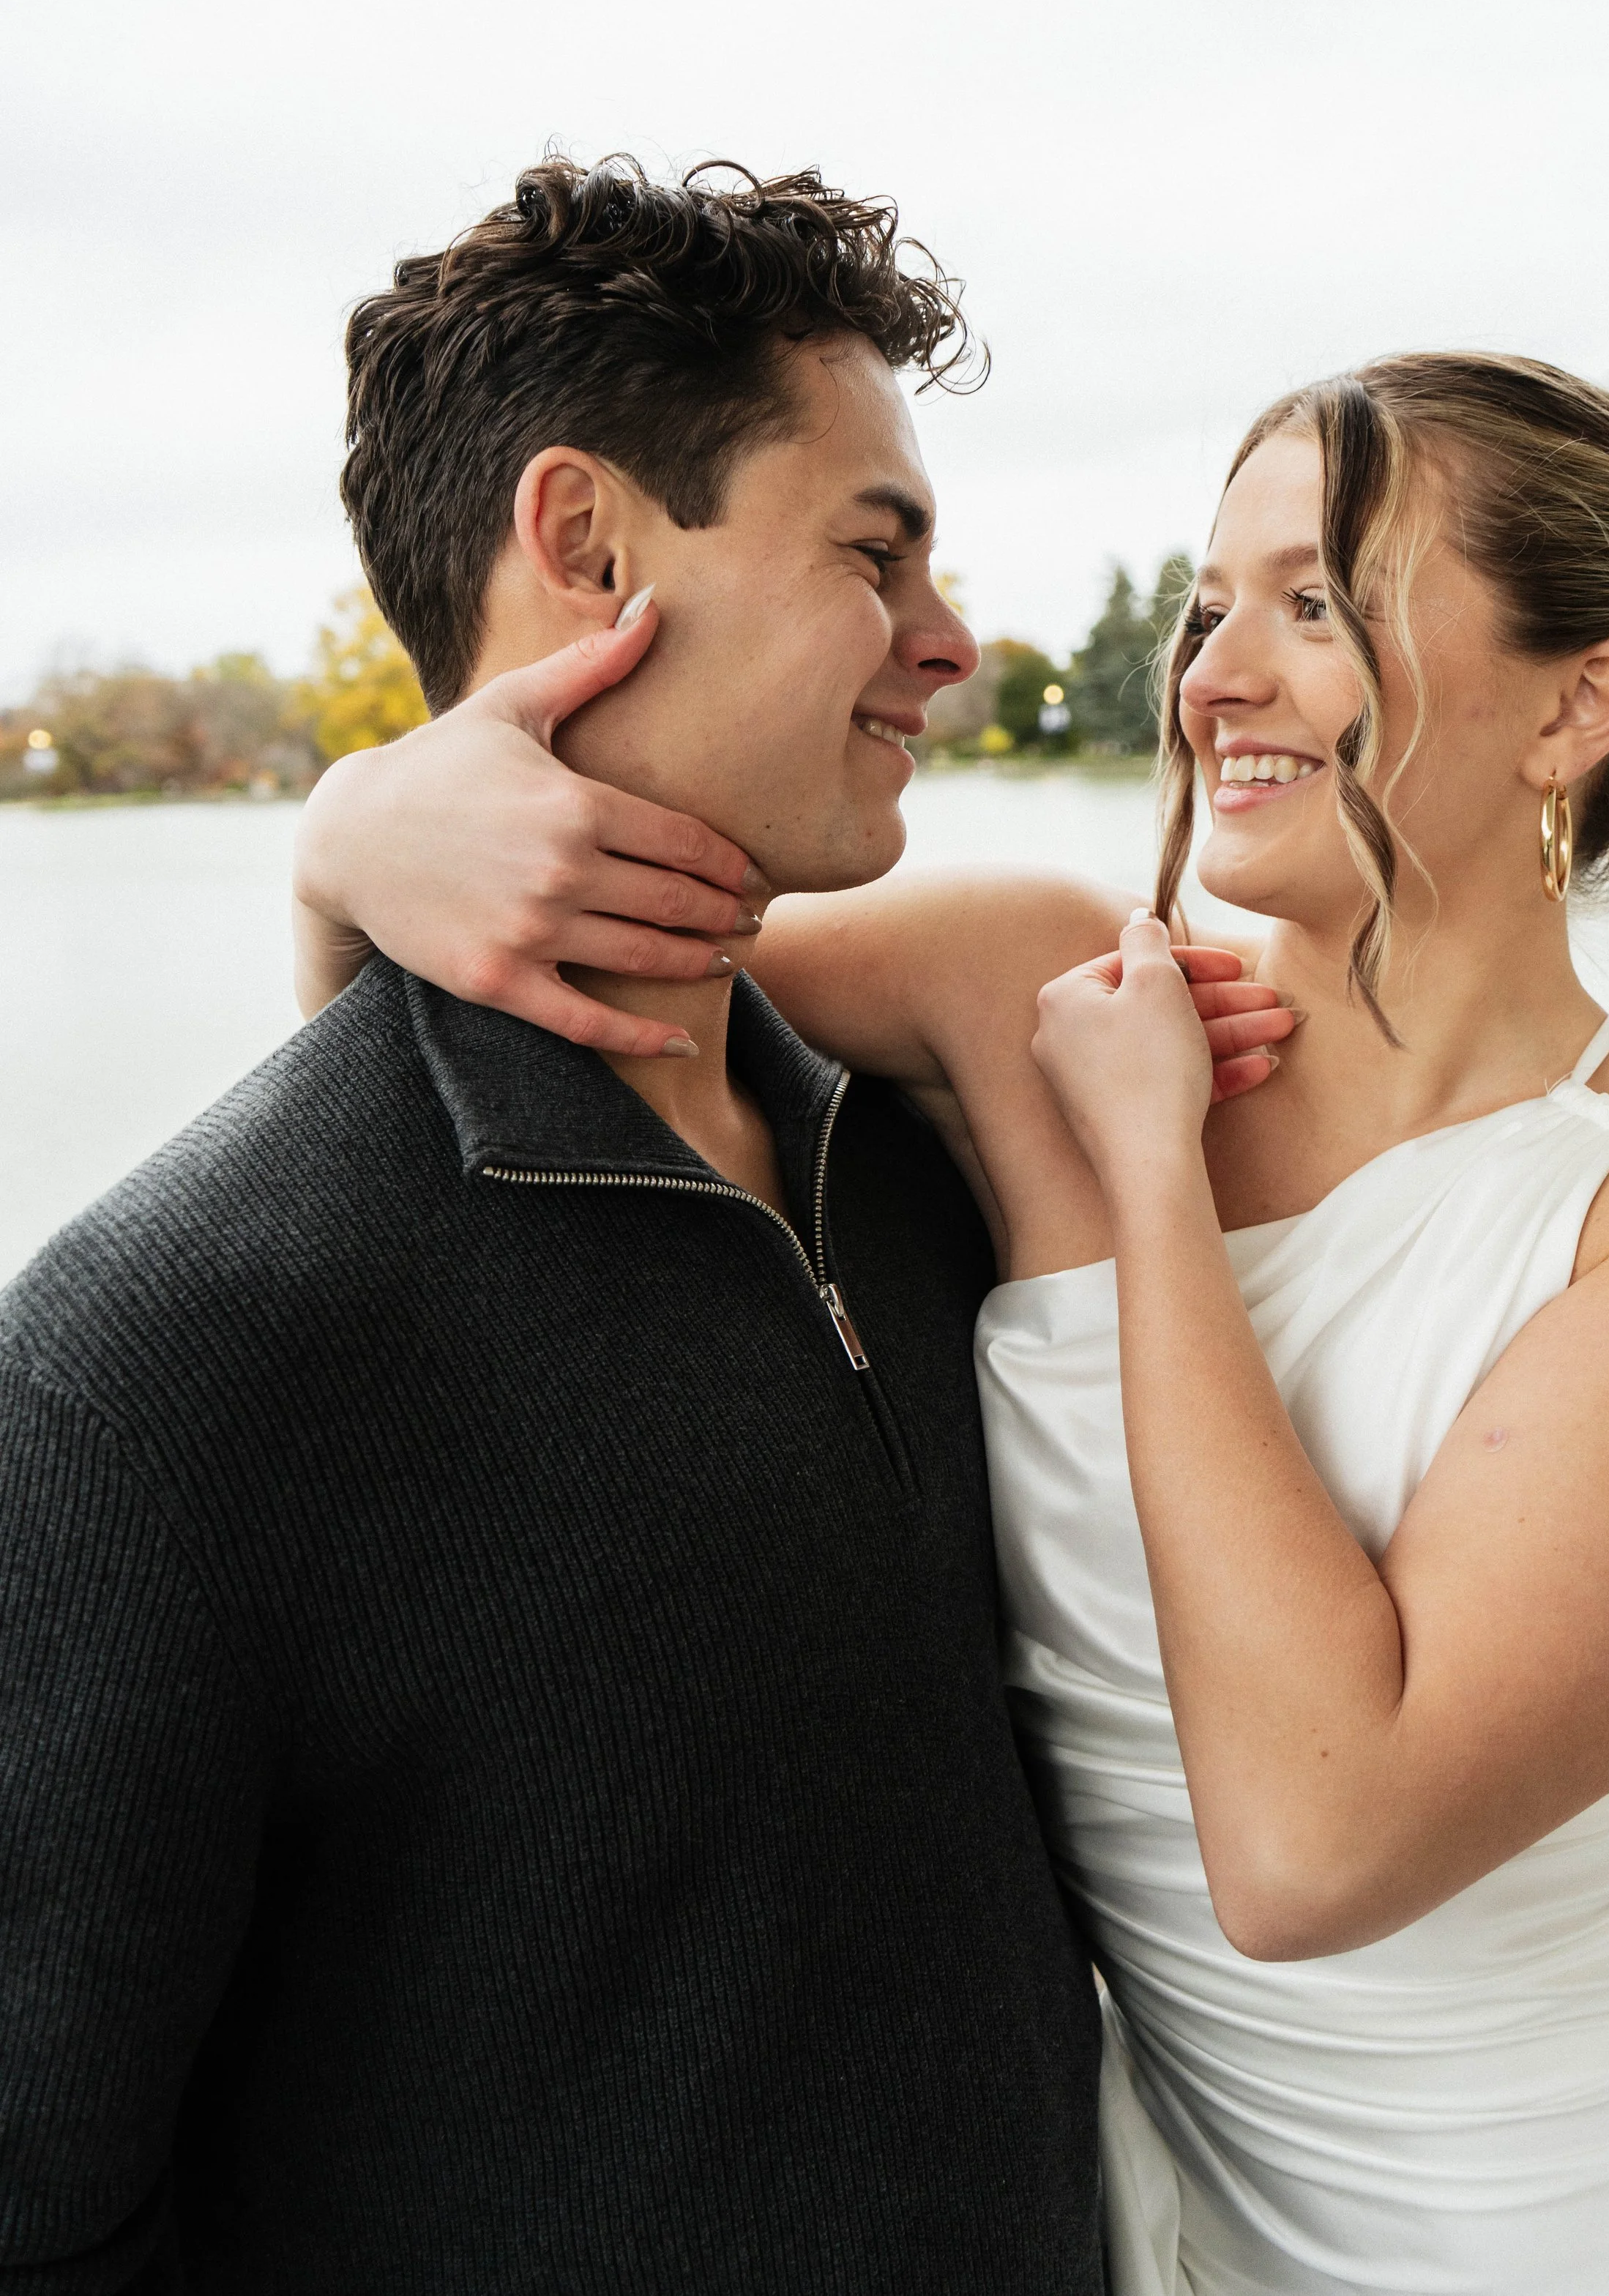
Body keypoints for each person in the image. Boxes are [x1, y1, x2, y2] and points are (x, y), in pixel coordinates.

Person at [297, 349, 1609, 2293]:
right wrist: (348, 828)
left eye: (1318, 606)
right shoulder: (1018, 975)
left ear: (1579, 703)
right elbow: (488, 1008)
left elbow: (1311, 1847)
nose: (1213, 678)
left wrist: (1146, 1175)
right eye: (1206, 607)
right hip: (1242, 2210)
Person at [0, 155, 1235, 2294]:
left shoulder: (945, 1138)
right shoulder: (160, 1355)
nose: (950, 642)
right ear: (583, 541)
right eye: (877, 550)